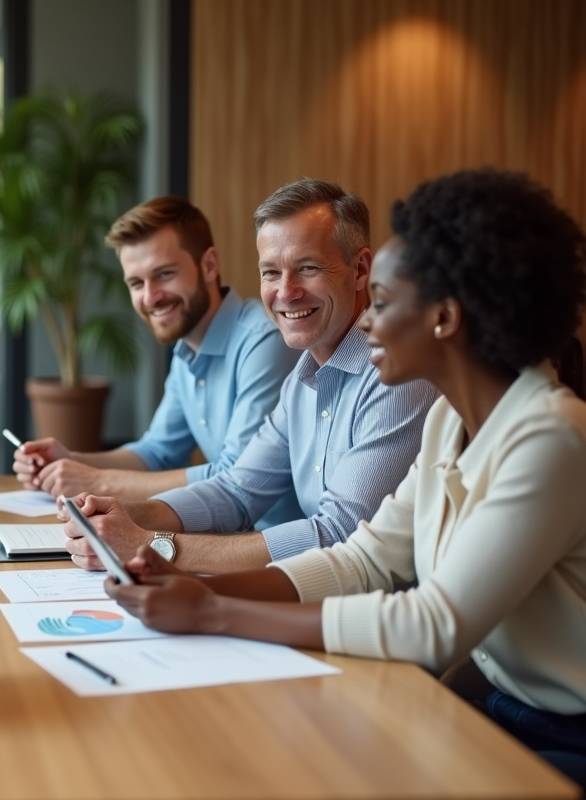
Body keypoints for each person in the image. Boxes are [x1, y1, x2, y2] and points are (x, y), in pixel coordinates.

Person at [102, 169, 586, 787]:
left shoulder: (550, 437)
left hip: (563, 736)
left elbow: (432, 625)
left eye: (382, 303)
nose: (368, 324)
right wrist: (187, 576)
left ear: (442, 318)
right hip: (494, 703)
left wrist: (214, 610)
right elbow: (363, 560)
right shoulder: (447, 420)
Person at [66, 179, 439, 573]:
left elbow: (339, 536)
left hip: (377, 619)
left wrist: (152, 545)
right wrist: (124, 515)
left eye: (307, 267)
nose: (286, 292)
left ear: (360, 269)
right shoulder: (304, 377)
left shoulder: (397, 374)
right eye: (270, 273)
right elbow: (237, 491)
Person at [12, 196, 300, 528]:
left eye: (164, 274)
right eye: (136, 283)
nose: (150, 297)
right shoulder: (188, 347)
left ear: (209, 265)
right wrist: (70, 461)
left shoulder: (265, 340)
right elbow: (158, 452)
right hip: (233, 540)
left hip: (281, 553)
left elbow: (233, 477)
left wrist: (96, 482)